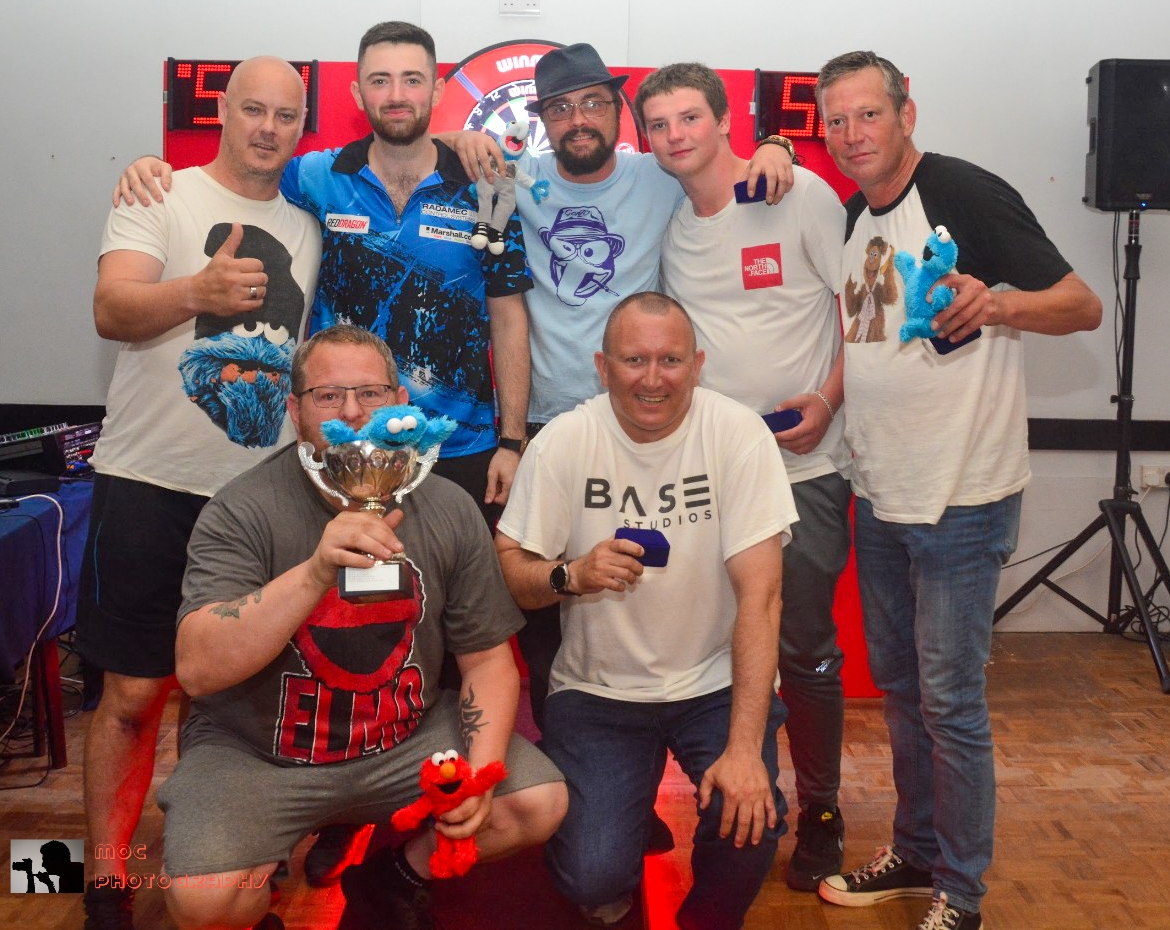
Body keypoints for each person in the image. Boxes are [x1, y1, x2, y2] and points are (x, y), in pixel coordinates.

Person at [111, 21, 535, 880]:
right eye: (380, 80)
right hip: (323, 450)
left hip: (453, 447)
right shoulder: (317, 175)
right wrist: (146, 166)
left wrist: (514, 438)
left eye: (412, 80)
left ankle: (381, 813)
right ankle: (112, 867)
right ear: (356, 93)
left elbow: (507, 312)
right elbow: (234, 180)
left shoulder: (487, 183)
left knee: (429, 639)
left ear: (436, 89)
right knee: (180, 672)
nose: (397, 95)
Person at [813, 51, 1102, 930]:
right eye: (836, 120)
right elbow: (870, 343)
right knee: (903, 694)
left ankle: (961, 894)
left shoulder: (964, 192)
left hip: (962, 498)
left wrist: (998, 304)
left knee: (950, 703)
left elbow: (1081, 304)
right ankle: (916, 854)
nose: (852, 134)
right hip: (881, 493)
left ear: (907, 114)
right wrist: (826, 404)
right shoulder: (856, 216)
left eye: (868, 114)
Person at [155, 324, 566, 930]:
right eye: (328, 396)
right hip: (262, 753)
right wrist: (315, 571)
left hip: (405, 740)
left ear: (401, 404)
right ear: (295, 411)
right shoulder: (242, 509)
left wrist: (477, 778)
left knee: (536, 803)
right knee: (204, 902)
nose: (351, 411)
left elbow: (487, 660)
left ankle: (394, 878)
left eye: (370, 393)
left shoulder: (447, 506)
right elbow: (197, 669)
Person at [445, 41, 798, 736]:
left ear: (617, 110)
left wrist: (777, 144)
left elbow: (721, 160)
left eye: (593, 103)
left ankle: (656, 735)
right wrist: (457, 137)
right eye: (560, 108)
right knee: (547, 619)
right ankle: (576, 763)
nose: (578, 119)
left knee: (660, 588)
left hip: (649, 421)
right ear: (542, 119)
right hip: (549, 428)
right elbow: (423, 154)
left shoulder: (656, 176)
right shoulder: (513, 179)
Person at [76, 56, 321, 930]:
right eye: (252, 109)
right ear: (221, 109)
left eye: (285, 116)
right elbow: (111, 310)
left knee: (242, 701)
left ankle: (233, 878)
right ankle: (97, 884)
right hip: (147, 484)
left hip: (258, 504)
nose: (267, 128)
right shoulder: (158, 194)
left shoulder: (309, 225)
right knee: (131, 698)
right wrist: (197, 292)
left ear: (302, 127)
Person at [496, 292, 799, 929]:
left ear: (698, 365)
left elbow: (762, 598)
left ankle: (705, 921)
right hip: (597, 692)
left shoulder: (738, 434)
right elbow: (514, 575)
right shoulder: (565, 440)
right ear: (602, 367)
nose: (653, 378)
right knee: (593, 875)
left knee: (751, 819)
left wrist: (746, 749)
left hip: (714, 683)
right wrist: (571, 575)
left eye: (671, 360)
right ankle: (616, 824)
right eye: (634, 360)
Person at [634, 62, 853, 894]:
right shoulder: (667, 223)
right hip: (707, 475)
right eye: (659, 125)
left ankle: (822, 811)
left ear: (726, 121)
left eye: (690, 117)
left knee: (803, 647)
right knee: (708, 640)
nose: (676, 135)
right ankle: (737, 791)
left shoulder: (798, 197)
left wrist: (828, 401)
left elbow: (863, 314)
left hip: (803, 465)